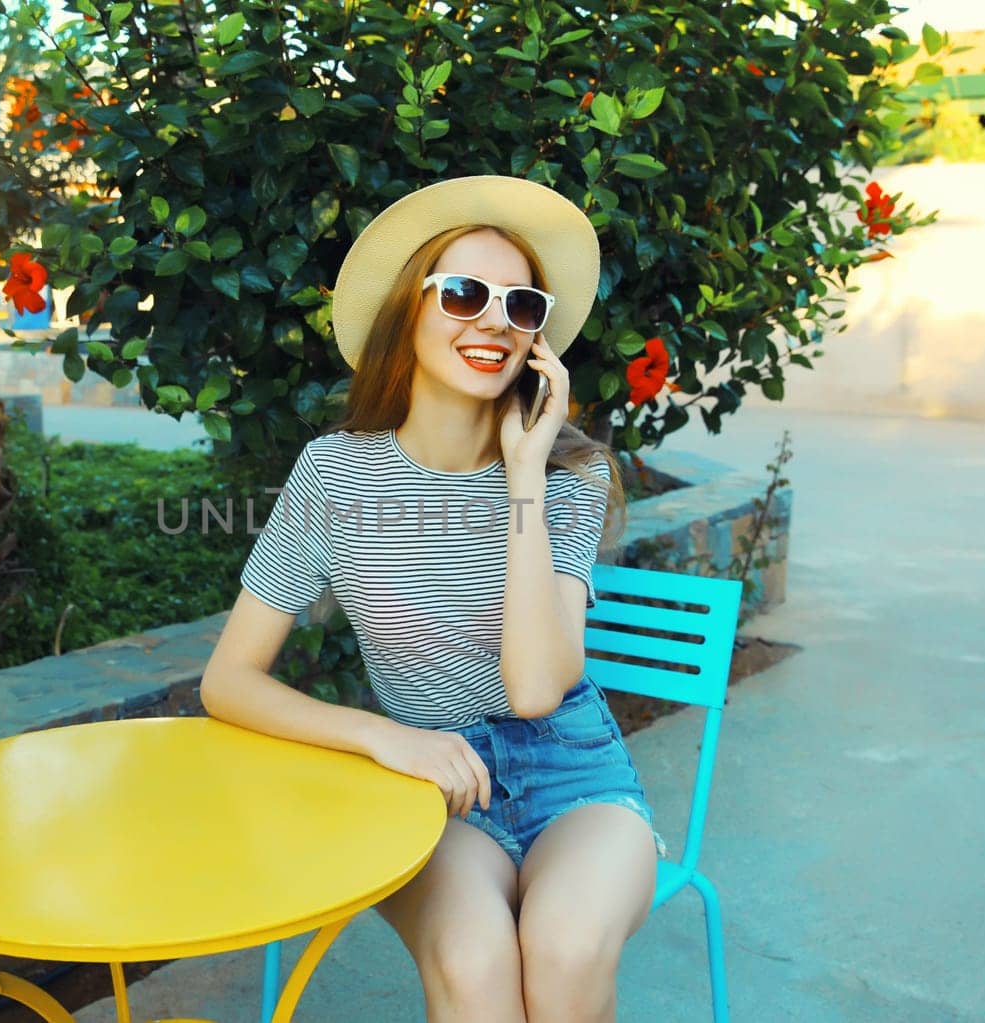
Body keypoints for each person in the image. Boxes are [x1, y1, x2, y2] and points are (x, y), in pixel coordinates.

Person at [199, 175, 663, 1022]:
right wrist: (386, 739)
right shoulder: (334, 475)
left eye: (520, 305)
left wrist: (524, 473)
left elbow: (533, 690)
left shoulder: (568, 474)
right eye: (462, 292)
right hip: (431, 783)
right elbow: (227, 682)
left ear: (538, 338)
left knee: (564, 949)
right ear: (406, 313)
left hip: (577, 769)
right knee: (474, 962)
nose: (493, 320)